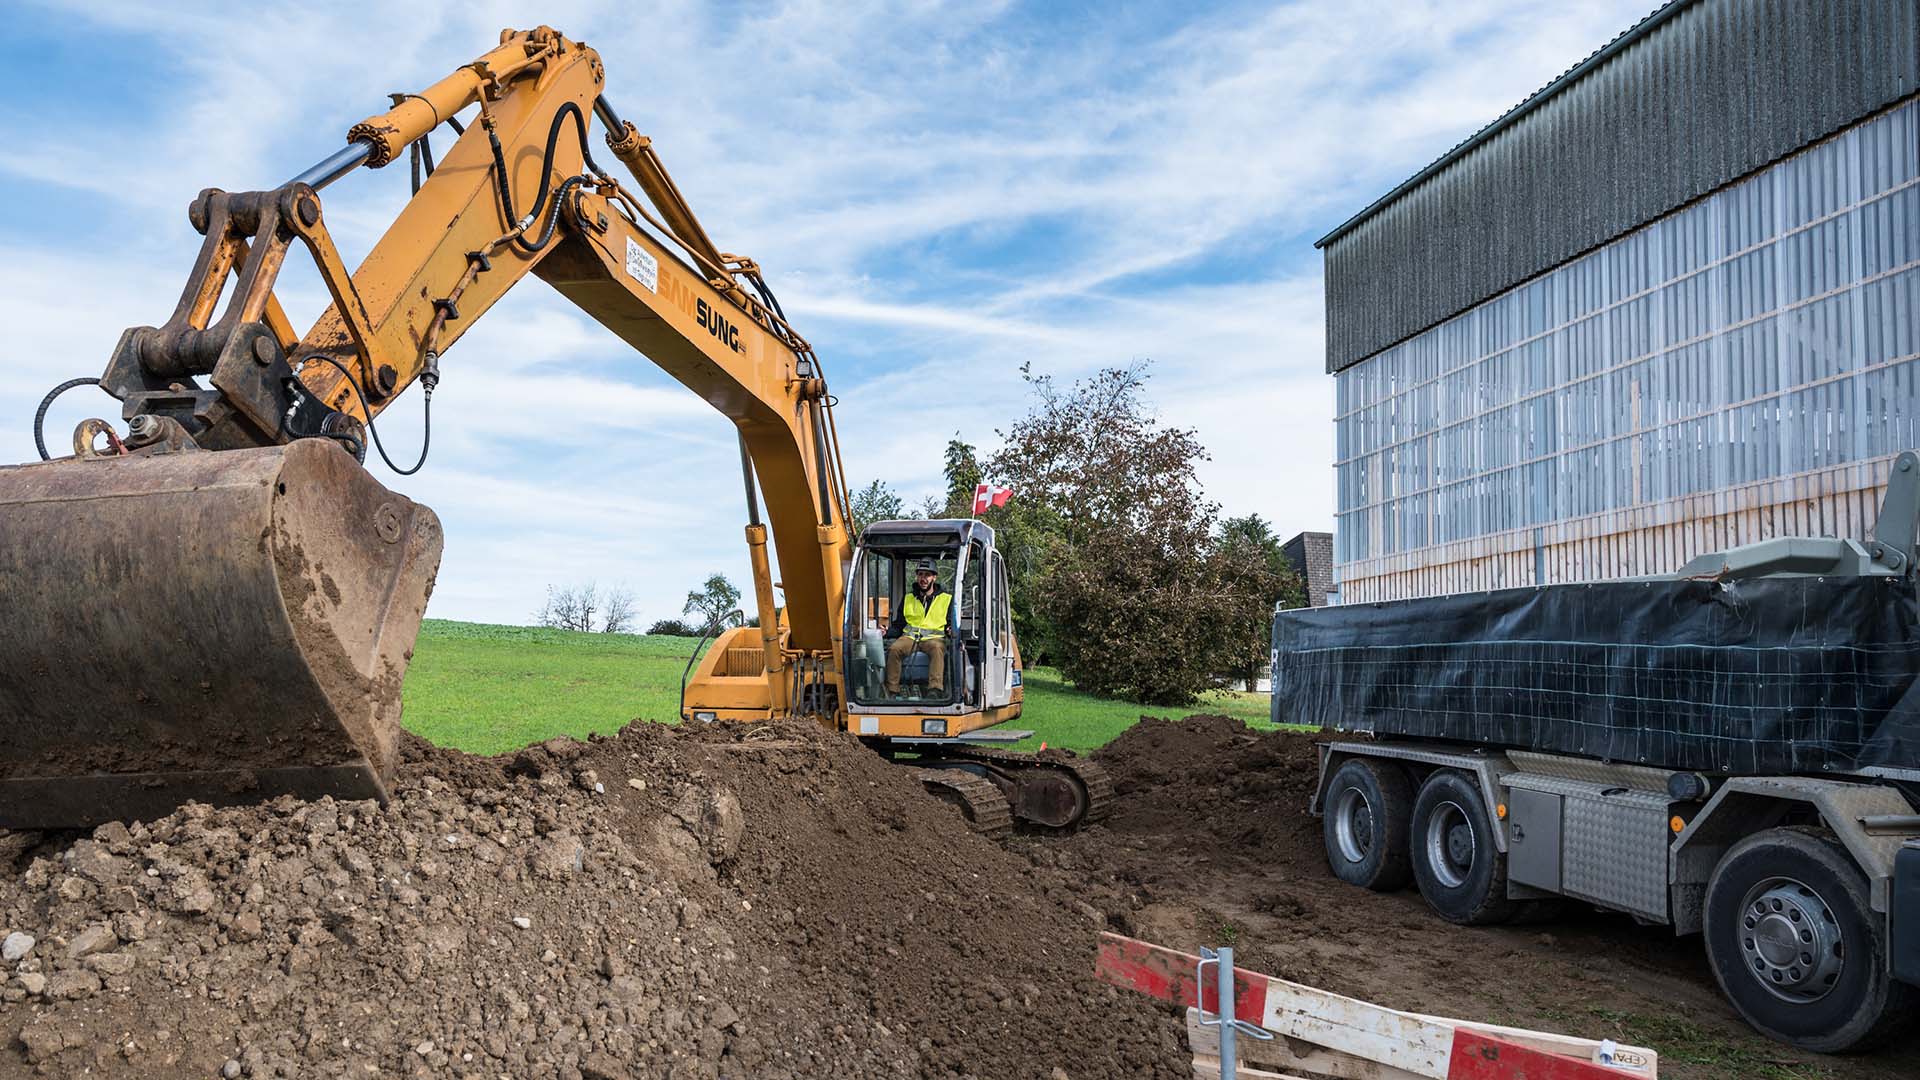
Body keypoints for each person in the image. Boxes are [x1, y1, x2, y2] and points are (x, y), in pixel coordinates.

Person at [884, 560, 950, 696]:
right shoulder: (908, 598)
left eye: (927, 575)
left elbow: (951, 623)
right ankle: (893, 690)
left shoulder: (946, 599)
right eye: (920, 574)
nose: (923, 579)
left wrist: (951, 630)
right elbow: (899, 625)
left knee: (937, 649)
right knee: (894, 649)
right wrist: (886, 631)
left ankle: (935, 689)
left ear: (934, 577)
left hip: (934, 639)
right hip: (910, 638)